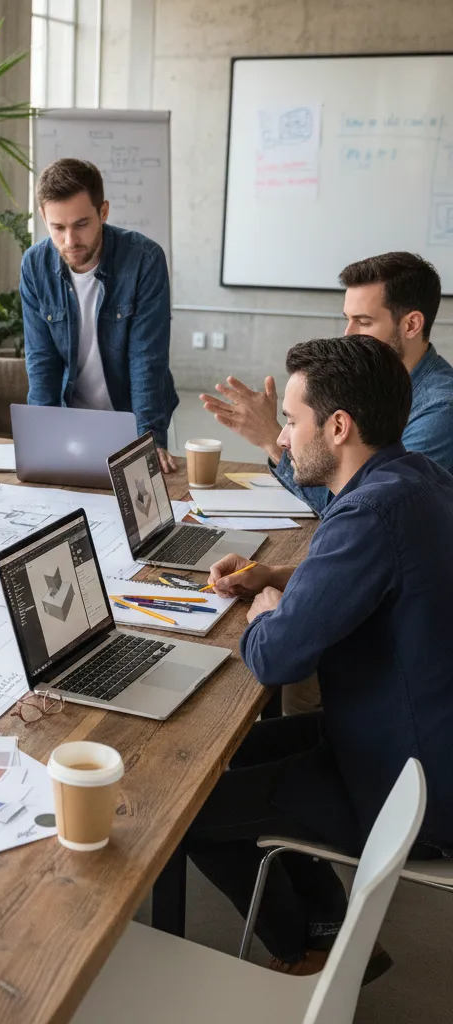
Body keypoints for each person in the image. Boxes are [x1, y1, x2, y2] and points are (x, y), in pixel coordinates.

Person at [187, 335, 453, 980]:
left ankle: (307, 950)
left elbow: (274, 659)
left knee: (187, 813)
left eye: (290, 420)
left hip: (408, 788)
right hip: (406, 739)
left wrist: (266, 608)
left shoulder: (368, 513)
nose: (281, 437)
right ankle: (330, 927)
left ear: (338, 426)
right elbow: (373, 574)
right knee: (217, 757)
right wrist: (276, 574)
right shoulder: (416, 477)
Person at [201, 251, 453, 513]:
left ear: (411, 325)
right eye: (348, 319)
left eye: (363, 322)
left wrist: (270, 438)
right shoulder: (373, 384)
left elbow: (368, 506)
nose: (348, 334)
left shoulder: (441, 409)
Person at [20, 157, 179, 474]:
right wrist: (41, 437)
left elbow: (146, 359)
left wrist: (148, 438)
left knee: (144, 497)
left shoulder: (144, 259)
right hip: (72, 418)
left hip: (135, 416)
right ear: (43, 217)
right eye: (58, 228)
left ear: (103, 212)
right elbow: (41, 360)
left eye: (81, 224)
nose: (70, 241)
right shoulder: (35, 265)